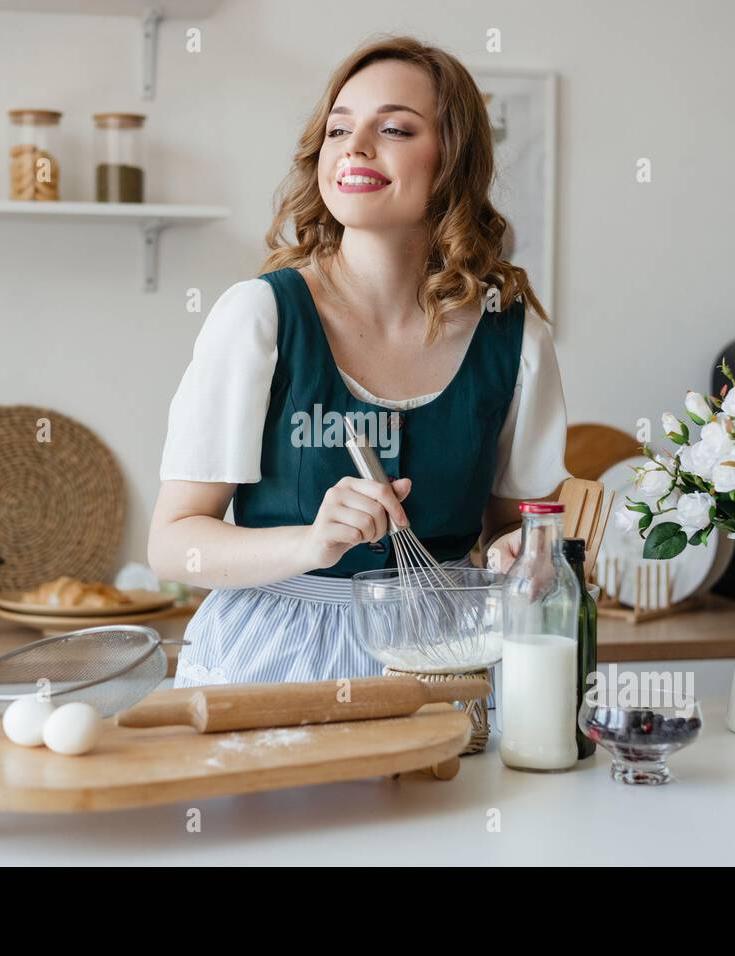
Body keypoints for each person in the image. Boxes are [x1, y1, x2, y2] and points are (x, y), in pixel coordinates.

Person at [149, 35, 568, 687]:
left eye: (394, 128)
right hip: (275, 663)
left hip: (447, 659)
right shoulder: (260, 316)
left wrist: (526, 554)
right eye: (339, 128)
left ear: (451, 161)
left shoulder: (514, 340)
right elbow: (175, 543)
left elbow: (520, 529)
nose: (355, 147)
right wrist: (308, 543)